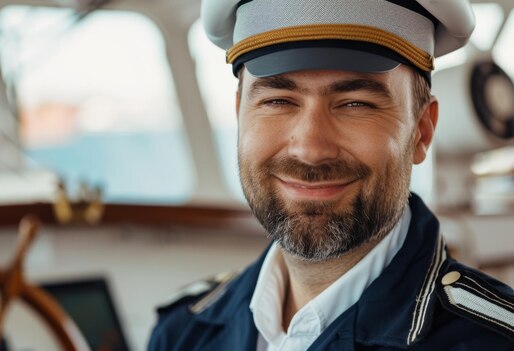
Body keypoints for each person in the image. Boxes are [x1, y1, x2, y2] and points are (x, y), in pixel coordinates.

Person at [148, 0, 514, 350]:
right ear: (240, 114)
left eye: (356, 104)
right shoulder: (181, 332)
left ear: (421, 131)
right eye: (278, 101)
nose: (310, 148)